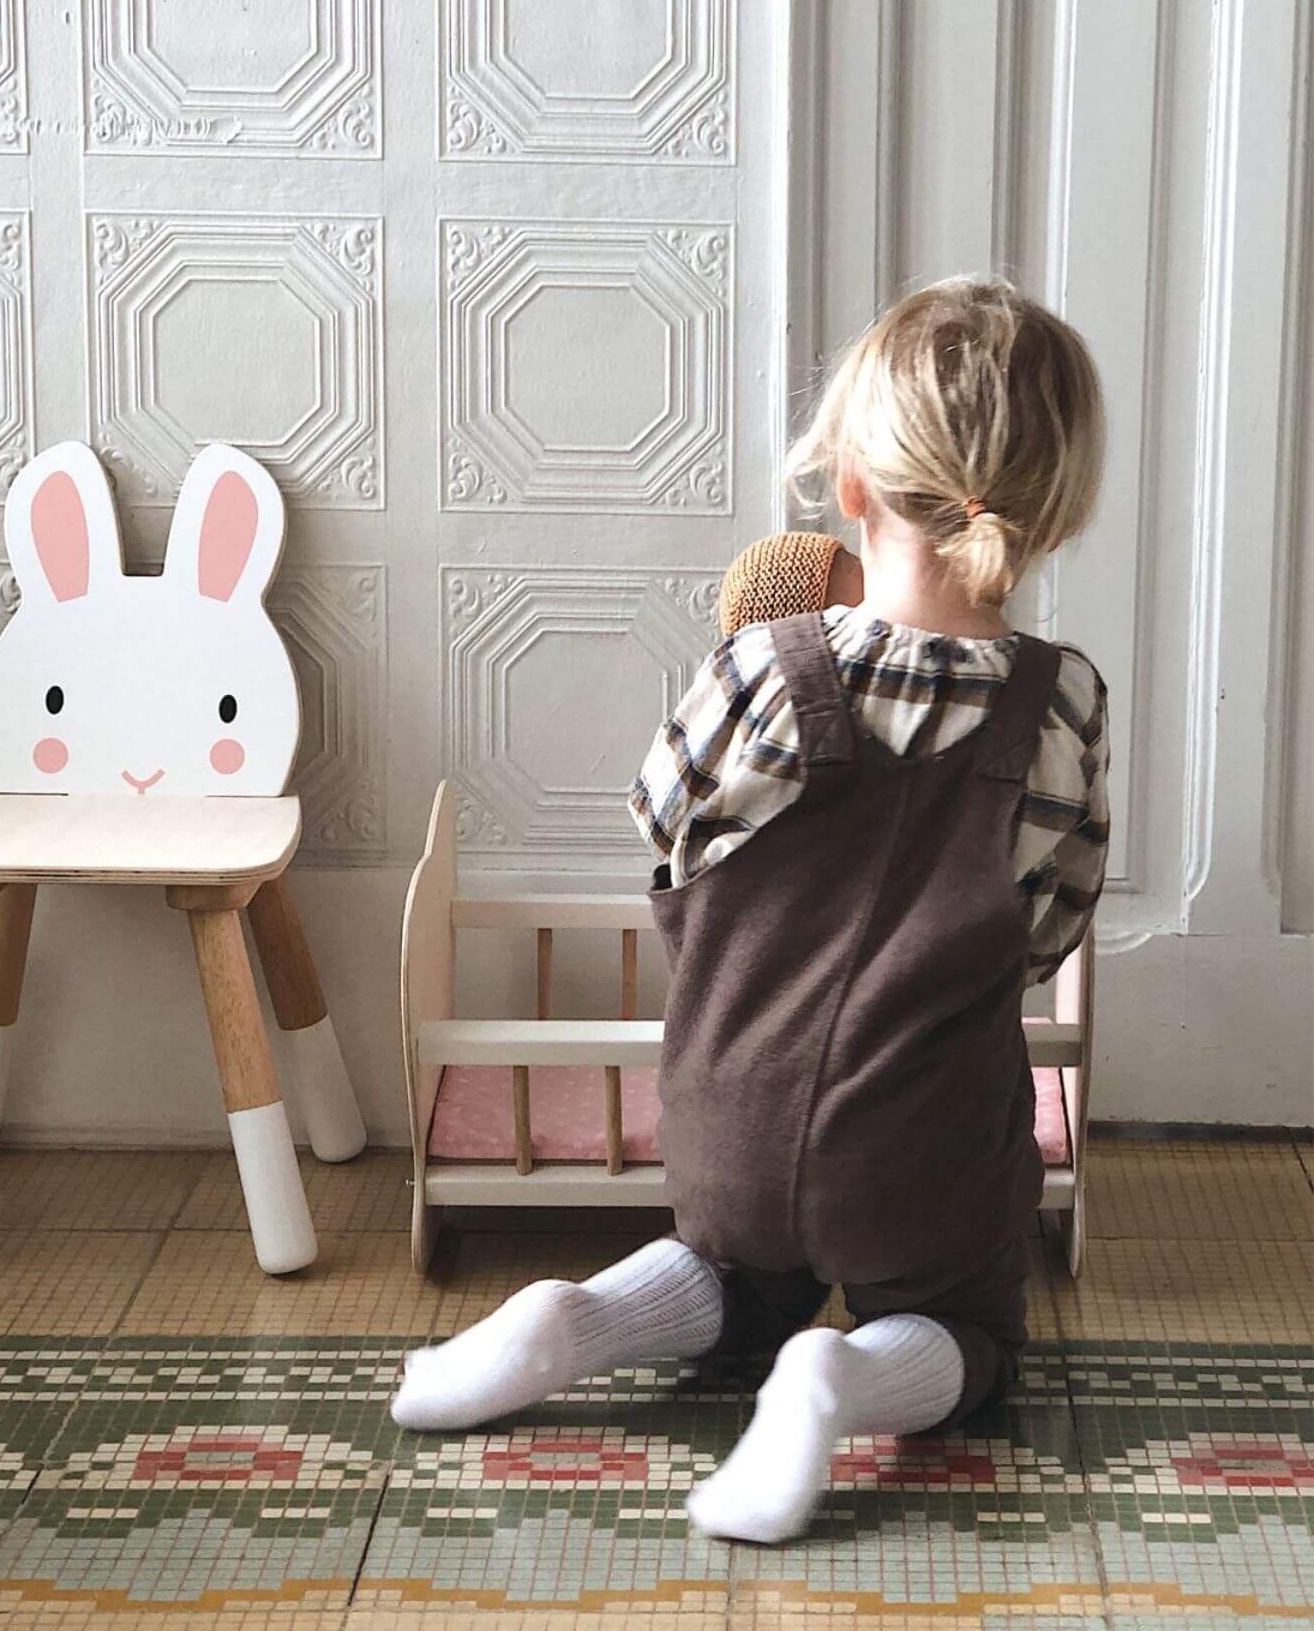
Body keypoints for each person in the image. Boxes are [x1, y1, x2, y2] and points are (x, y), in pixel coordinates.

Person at [391, 277, 1111, 1545]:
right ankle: (839, 1381)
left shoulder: (765, 665)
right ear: (1052, 510)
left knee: (738, 1274)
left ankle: (572, 1318)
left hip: (727, 1115)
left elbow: (662, 829)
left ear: (854, 486)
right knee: (969, 1328)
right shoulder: (1059, 702)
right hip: (925, 1134)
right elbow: (1055, 917)